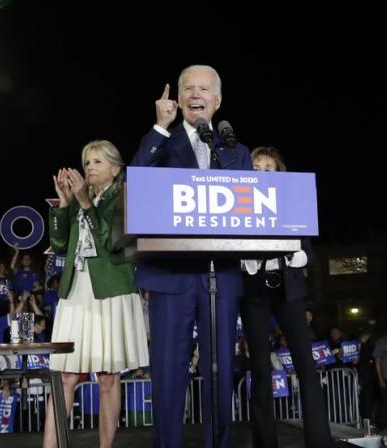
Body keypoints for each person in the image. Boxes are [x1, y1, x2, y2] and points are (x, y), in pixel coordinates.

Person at [129, 64, 252, 448]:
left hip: (223, 274)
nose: (195, 94)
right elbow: (136, 180)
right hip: (170, 274)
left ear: (217, 101)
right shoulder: (160, 143)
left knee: (220, 370)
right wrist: (159, 128)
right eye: (188, 89)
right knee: (168, 369)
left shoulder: (237, 151)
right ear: (178, 99)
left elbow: (249, 209)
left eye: (203, 89)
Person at [43, 140, 149, 448]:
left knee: (107, 377)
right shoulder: (80, 196)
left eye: (97, 162)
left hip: (111, 292)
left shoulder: (124, 196)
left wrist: (86, 205)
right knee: (65, 376)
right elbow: (60, 243)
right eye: (87, 161)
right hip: (76, 291)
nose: (89, 166)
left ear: (115, 169)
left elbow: (111, 241)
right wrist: (65, 203)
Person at [239, 146, 331, 447]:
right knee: (261, 369)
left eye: (268, 168)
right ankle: (265, 442)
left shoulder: (294, 202)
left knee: (306, 363)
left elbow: (309, 250)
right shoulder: (236, 202)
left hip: (289, 290)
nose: (262, 172)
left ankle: (319, 439)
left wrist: (298, 256)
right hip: (253, 291)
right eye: (256, 167)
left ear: (278, 173)